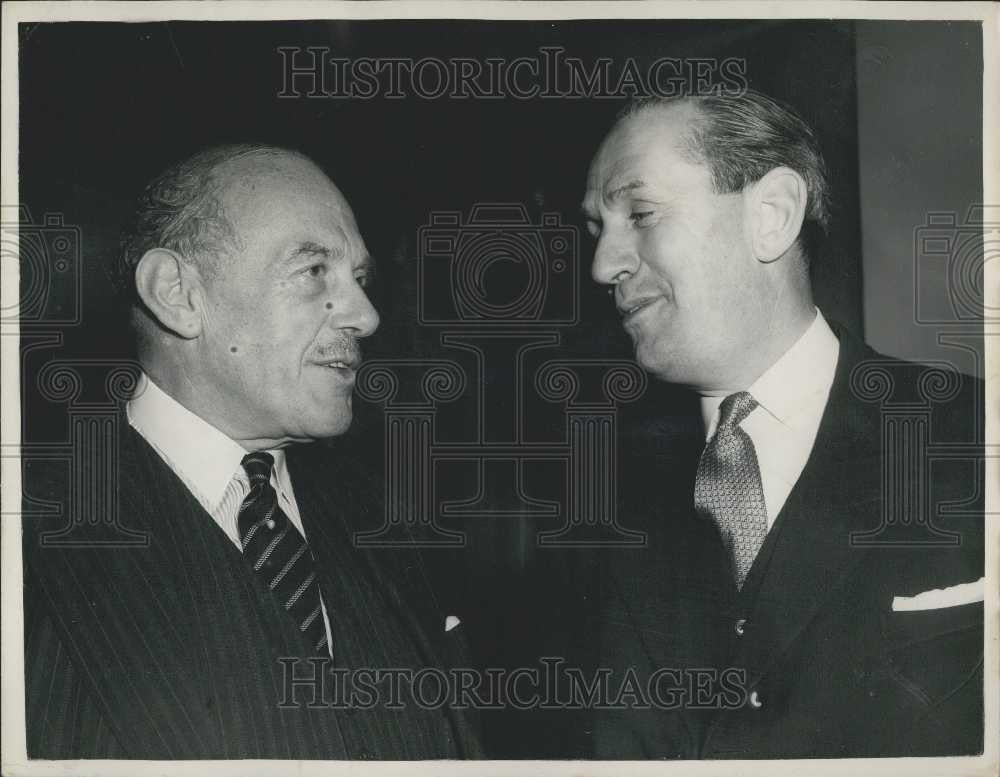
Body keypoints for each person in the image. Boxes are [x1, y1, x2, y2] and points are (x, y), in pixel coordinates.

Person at [22, 145, 480, 759]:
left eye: (361, 279)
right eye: (314, 271)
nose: (367, 316)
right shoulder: (30, 536)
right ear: (178, 294)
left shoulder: (397, 525)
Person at [579, 92, 984, 758]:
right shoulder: (601, 495)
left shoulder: (975, 435)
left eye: (641, 213)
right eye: (597, 227)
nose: (604, 264)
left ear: (771, 215)